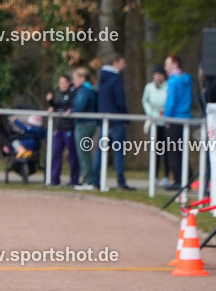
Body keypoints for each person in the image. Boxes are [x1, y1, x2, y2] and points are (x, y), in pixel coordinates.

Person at [93, 52, 133, 190]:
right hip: (116, 120)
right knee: (118, 152)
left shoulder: (102, 77)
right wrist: (125, 116)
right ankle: (121, 181)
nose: (124, 65)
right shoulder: (116, 78)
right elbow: (120, 100)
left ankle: (95, 179)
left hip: (104, 119)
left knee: (100, 151)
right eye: (122, 62)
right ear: (115, 62)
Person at [162, 55, 193, 190]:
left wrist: (167, 117)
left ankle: (179, 180)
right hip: (185, 118)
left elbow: (171, 100)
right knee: (182, 150)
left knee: (173, 151)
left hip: (175, 119)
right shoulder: (187, 79)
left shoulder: (173, 81)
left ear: (175, 64)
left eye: (167, 64)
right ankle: (188, 178)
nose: (165, 68)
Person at [46, 74, 78, 186]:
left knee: (72, 156)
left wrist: (58, 108)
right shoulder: (60, 95)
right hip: (59, 129)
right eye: (60, 83)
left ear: (69, 83)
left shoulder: (72, 94)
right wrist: (51, 103)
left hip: (69, 128)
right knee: (56, 153)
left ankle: (74, 180)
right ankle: (54, 179)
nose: (62, 85)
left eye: (64, 82)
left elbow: (67, 107)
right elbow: (58, 106)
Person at [70, 67, 99, 191]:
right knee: (84, 153)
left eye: (75, 78)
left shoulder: (85, 91)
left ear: (82, 78)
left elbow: (80, 106)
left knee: (83, 153)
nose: (73, 81)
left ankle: (88, 180)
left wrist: (71, 111)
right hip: (87, 124)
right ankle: (88, 179)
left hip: (85, 125)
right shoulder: (88, 90)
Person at [141, 66, 168, 186]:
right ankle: (154, 176)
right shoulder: (149, 87)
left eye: (160, 74)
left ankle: (167, 175)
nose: (158, 77)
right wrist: (151, 112)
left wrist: (164, 112)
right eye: (156, 74)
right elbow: (145, 101)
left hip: (165, 120)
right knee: (155, 150)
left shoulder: (167, 87)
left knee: (167, 150)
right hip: (154, 120)